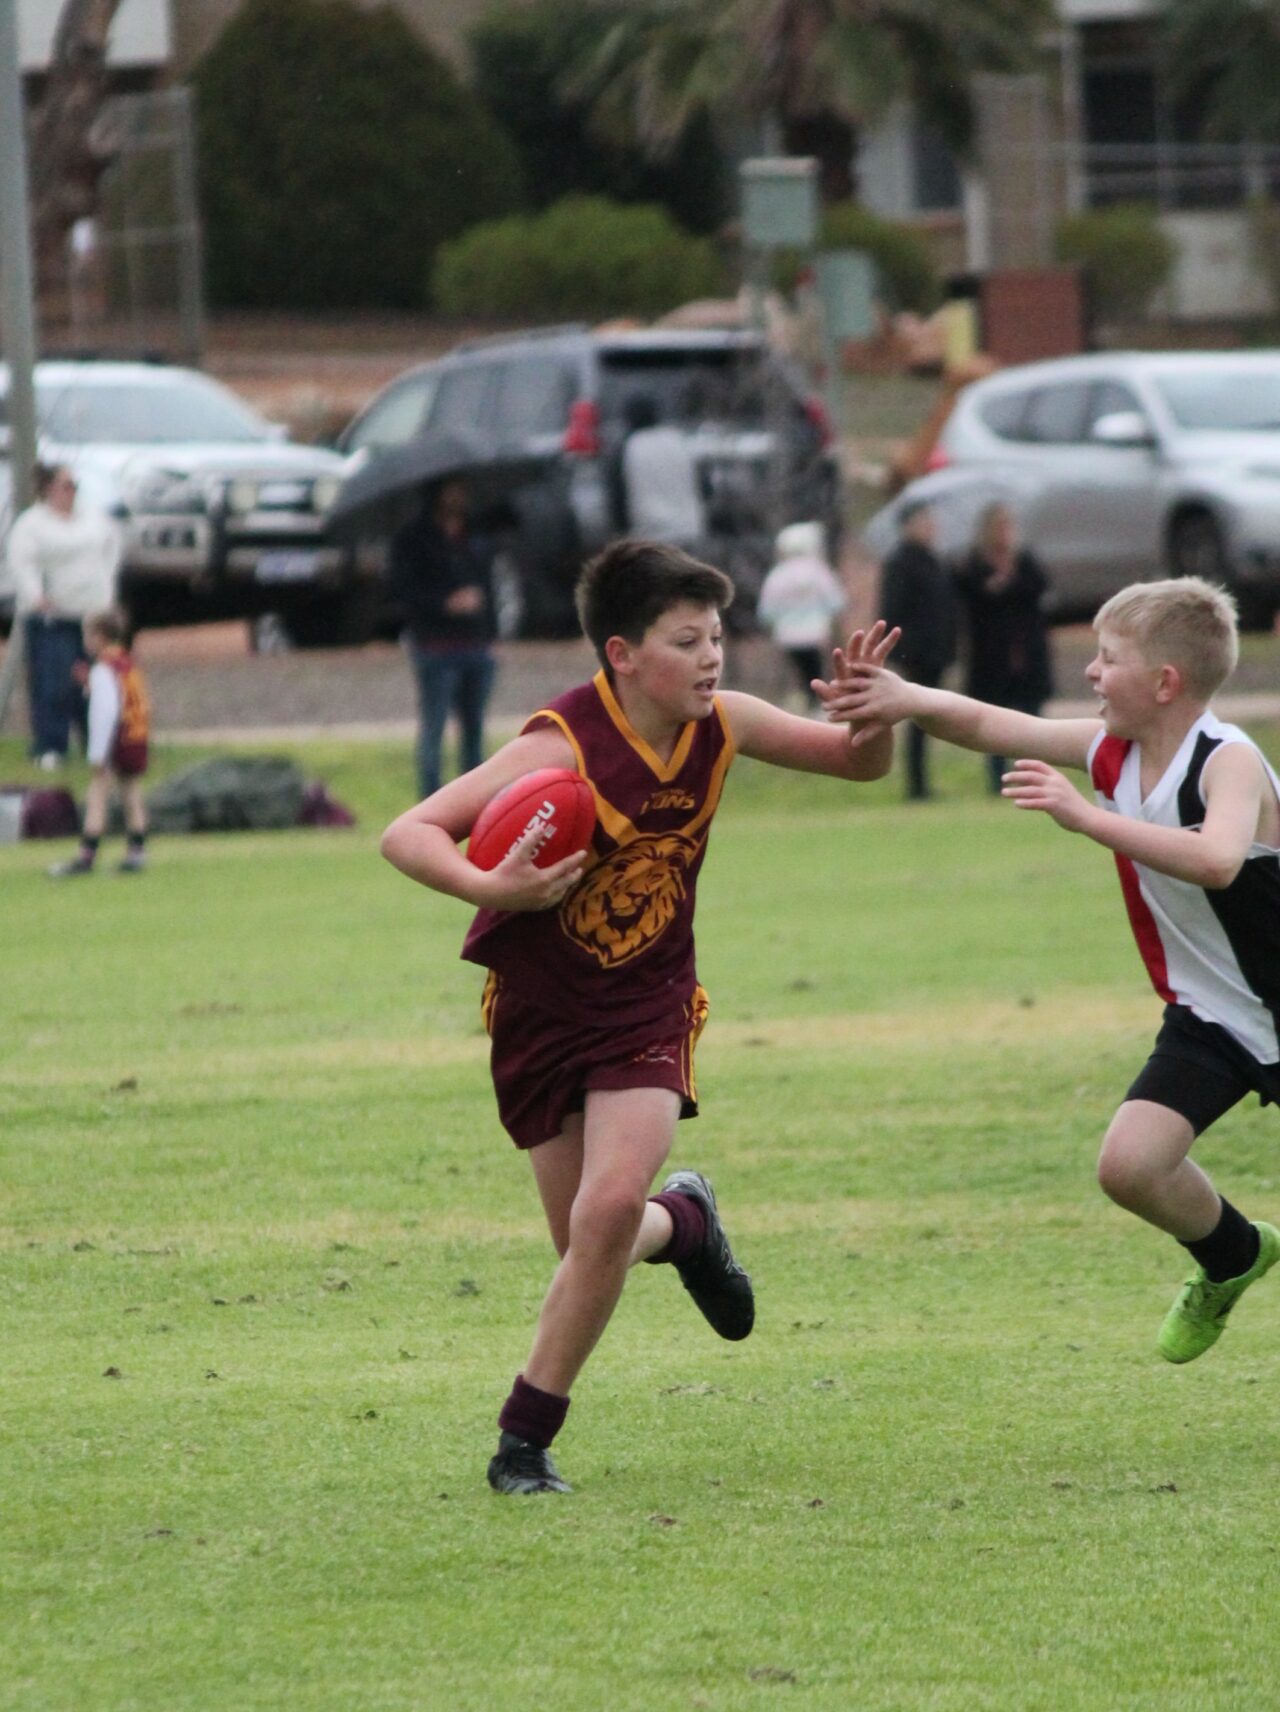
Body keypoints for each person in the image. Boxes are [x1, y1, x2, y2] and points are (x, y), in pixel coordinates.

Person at [381, 538, 897, 1495]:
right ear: (621, 654)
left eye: (717, 638)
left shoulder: (725, 724)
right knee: (590, 1245)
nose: (712, 659)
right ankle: (688, 1224)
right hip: (539, 1011)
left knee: (608, 1210)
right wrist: (491, 885)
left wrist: (876, 716)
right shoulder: (559, 749)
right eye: (686, 642)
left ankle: (523, 1441)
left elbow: (857, 765)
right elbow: (406, 832)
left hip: (647, 1004)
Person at [823, 575, 1280, 1366]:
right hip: (1214, 1014)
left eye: (1108, 658)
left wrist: (1087, 818)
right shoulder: (1113, 750)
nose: (1091, 672)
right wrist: (906, 698)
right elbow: (992, 723)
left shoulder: (1227, 760)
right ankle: (1234, 1253)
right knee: (1130, 1168)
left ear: (1165, 683)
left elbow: (1217, 860)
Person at [6, 462, 121, 769]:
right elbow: (22, 562)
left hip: (92, 615)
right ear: (49, 489)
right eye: (66, 486)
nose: (72, 492)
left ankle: (98, 743)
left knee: (96, 682)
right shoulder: (33, 524)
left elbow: (110, 548)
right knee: (55, 682)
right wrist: (36, 595)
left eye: (75, 486)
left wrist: (106, 590)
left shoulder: (92, 519)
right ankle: (51, 745)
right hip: (54, 617)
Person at [390, 477, 497, 800]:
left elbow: (487, 582)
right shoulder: (414, 539)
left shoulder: (475, 536)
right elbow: (404, 590)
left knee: (474, 732)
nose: (458, 496)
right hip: (435, 646)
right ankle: (431, 800)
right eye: (451, 489)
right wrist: (445, 603)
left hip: (475, 643)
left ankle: (475, 802)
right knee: (434, 728)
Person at [953, 503, 1053, 792]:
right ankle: (997, 779)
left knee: (1031, 717)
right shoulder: (973, 564)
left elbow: (1038, 589)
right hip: (991, 656)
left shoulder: (1025, 561)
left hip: (1026, 652)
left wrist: (1011, 582)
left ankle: (1031, 775)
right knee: (995, 717)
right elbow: (967, 596)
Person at [49, 607, 150, 878]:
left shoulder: (104, 668)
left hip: (116, 738)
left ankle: (87, 855)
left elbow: (105, 713)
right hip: (135, 735)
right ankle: (137, 851)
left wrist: (96, 754)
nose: (86, 641)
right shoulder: (127, 663)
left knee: (98, 791)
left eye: (88, 635)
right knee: (131, 792)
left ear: (99, 637)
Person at [877, 500, 957, 800]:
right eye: (924, 521)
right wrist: (904, 650)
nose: (930, 527)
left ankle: (922, 782)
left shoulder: (933, 560)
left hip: (935, 651)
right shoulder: (901, 563)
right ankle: (916, 784)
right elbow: (893, 610)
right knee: (918, 720)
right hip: (918, 654)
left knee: (929, 719)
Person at [757, 521, 847, 709]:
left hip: (787, 634)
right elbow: (835, 602)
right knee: (815, 669)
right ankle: (817, 700)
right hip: (816, 632)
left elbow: (767, 610)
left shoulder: (778, 574)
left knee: (797, 671)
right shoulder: (818, 571)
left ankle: (802, 699)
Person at [619, 395, 706, 548]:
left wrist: (622, 530)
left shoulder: (630, 447)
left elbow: (618, 494)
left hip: (650, 533)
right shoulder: (678, 440)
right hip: (689, 528)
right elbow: (704, 485)